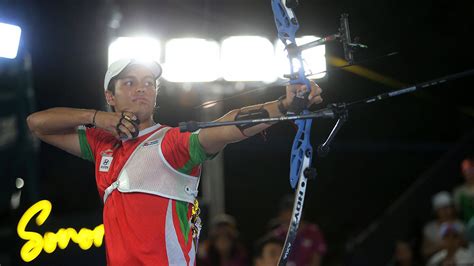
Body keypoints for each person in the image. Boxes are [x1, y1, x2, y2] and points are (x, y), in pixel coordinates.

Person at [26, 58, 323, 265]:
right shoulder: (102, 145)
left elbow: (225, 126)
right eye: (129, 82)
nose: (141, 88)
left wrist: (284, 105)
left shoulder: (172, 144)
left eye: (148, 83)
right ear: (110, 96)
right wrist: (95, 118)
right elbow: (37, 123)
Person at [270, 194, 327, 266]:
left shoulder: (313, 231)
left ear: (301, 212)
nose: (288, 214)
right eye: (285, 211)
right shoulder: (277, 234)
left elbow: (317, 258)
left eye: (292, 211)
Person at [421, 191, 464, 260]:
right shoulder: (429, 228)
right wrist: (442, 246)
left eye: (448, 207)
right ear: (436, 210)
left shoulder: (460, 225)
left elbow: (466, 245)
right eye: (442, 208)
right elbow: (425, 252)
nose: (446, 211)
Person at [453, 157, 474, 224]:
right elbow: (457, 210)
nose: (469, 173)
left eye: (471, 170)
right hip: (468, 224)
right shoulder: (458, 191)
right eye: (466, 171)